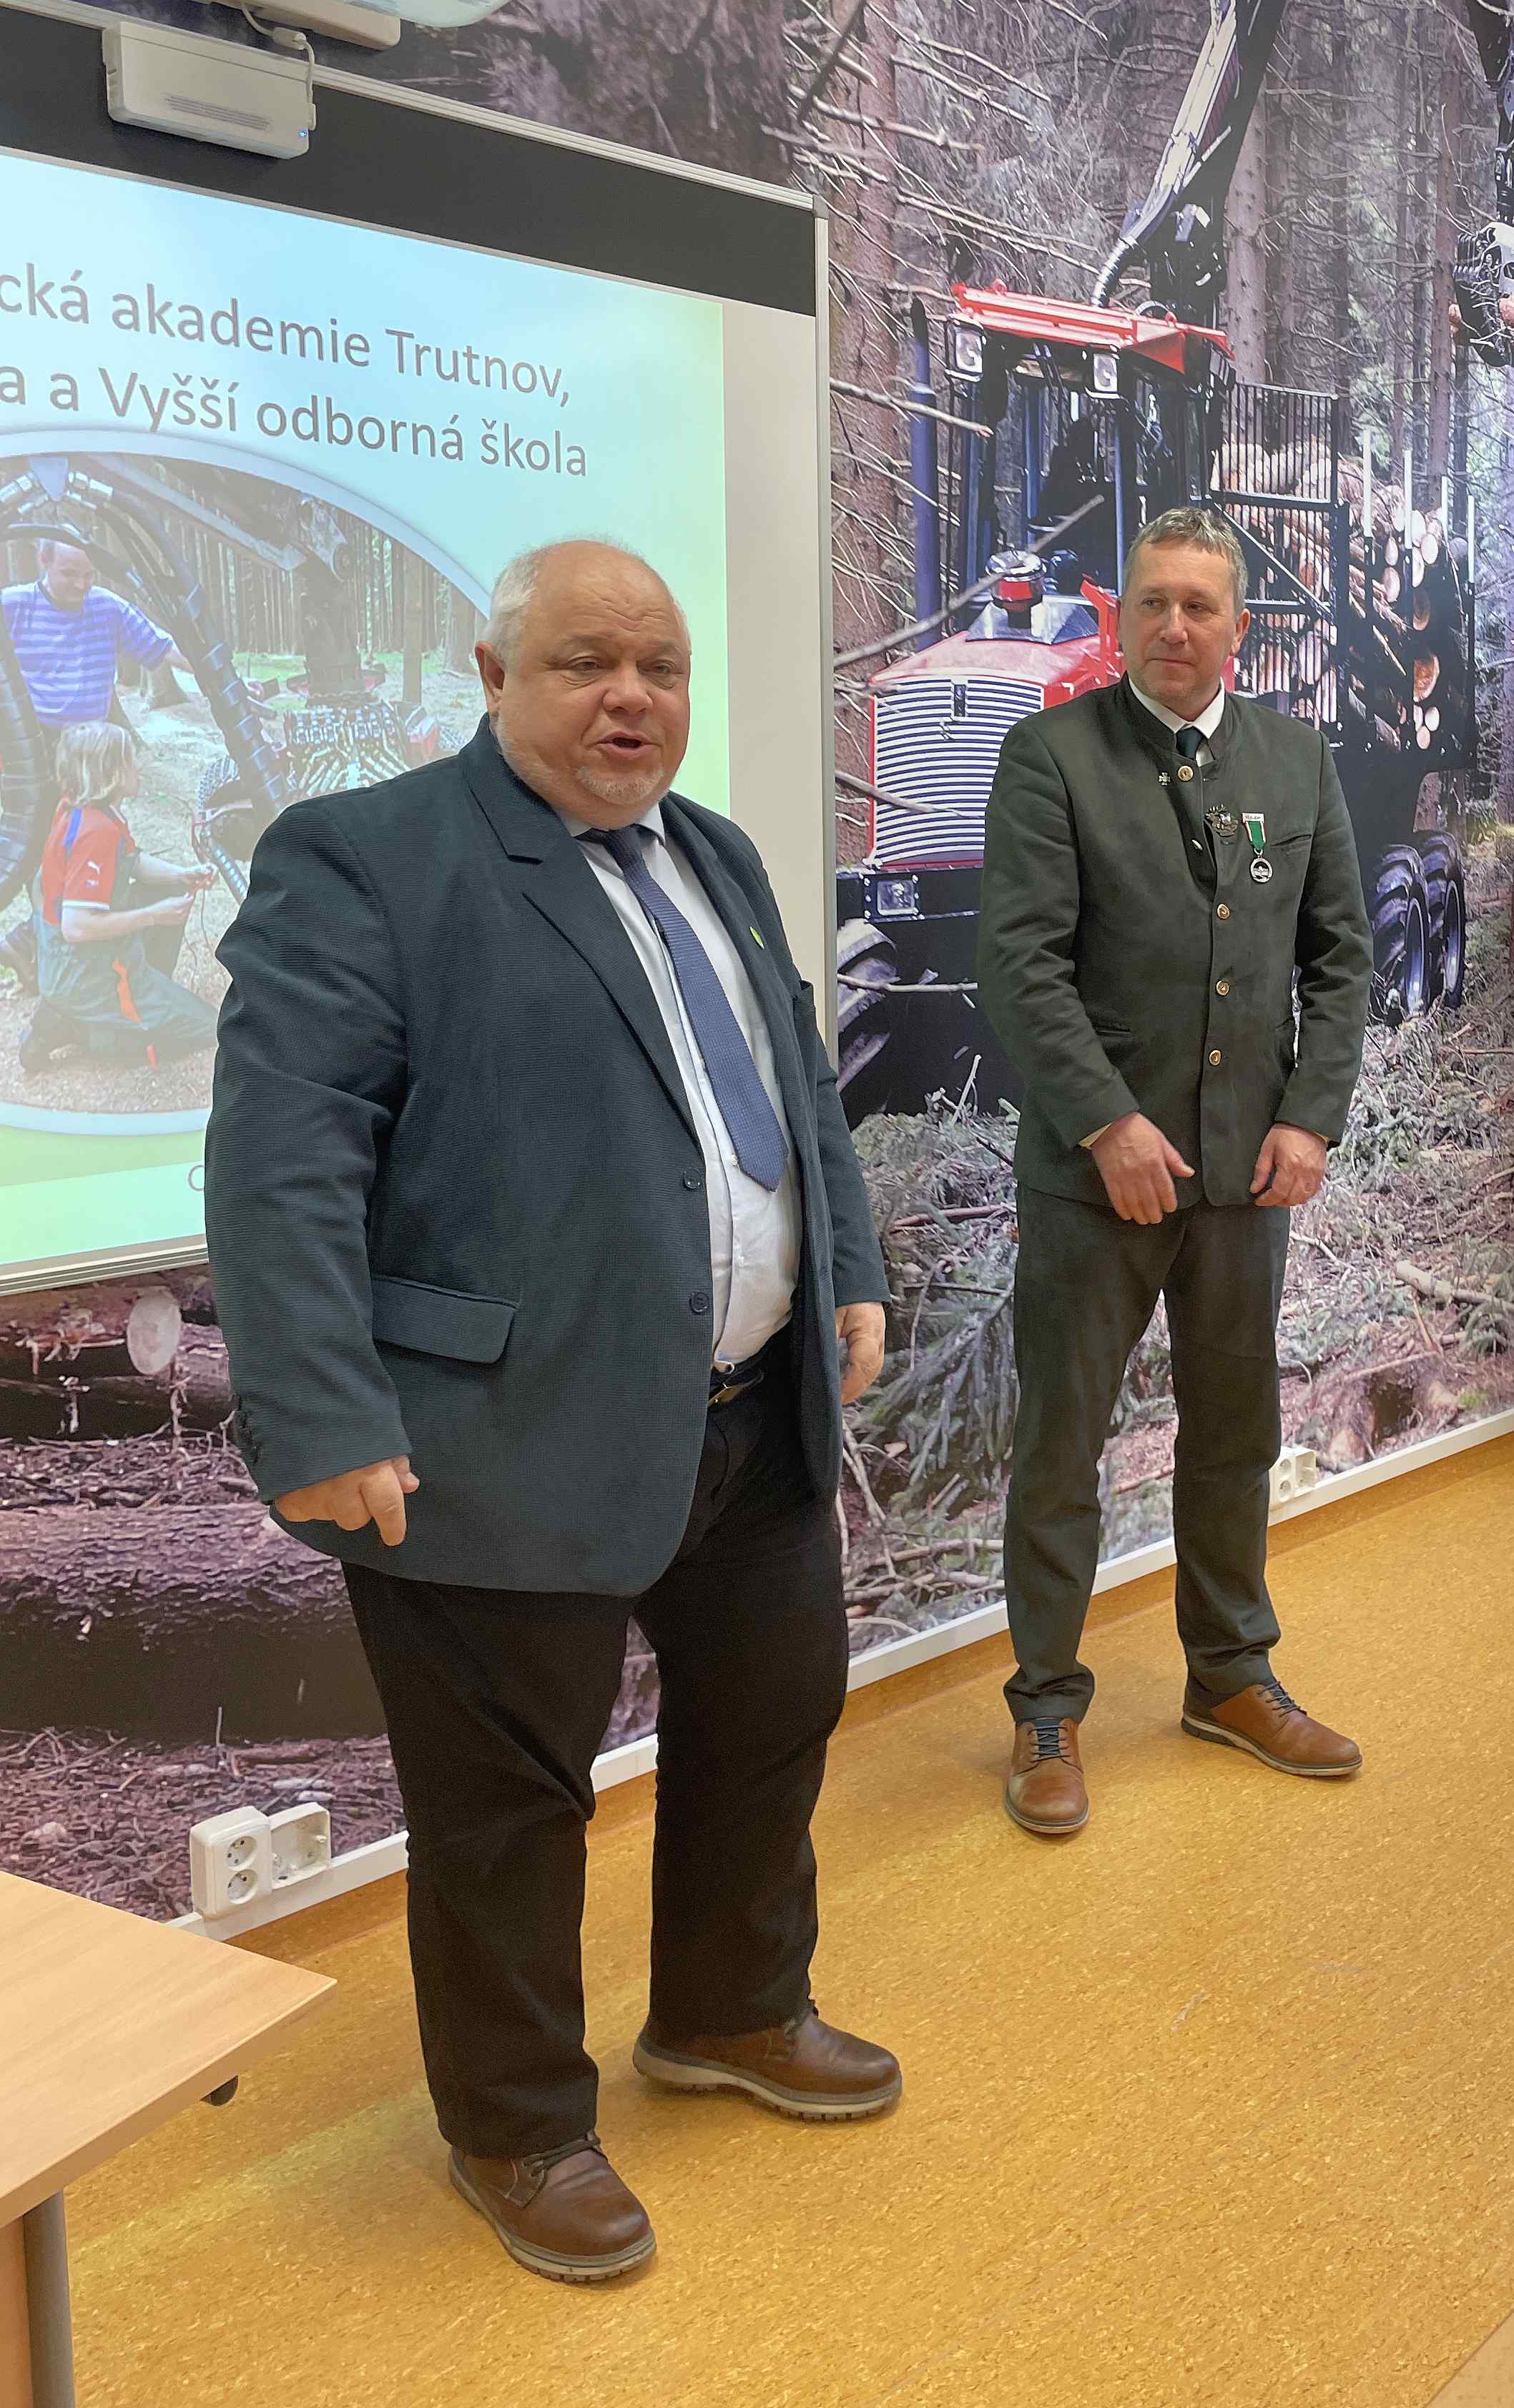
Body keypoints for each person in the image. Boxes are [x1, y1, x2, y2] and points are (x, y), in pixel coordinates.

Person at [205, 538, 898, 2287]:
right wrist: (322, 1411)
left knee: (770, 1724)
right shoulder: (367, 859)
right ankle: (516, 2126)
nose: (632, 698)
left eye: (661, 667)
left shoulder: (718, 853)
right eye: (588, 663)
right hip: (492, 1435)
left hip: (749, 1415)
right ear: (493, 673)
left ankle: (729, 2010)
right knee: (508, 1806)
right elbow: (285, 1158)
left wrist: (851, 1273)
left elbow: (797, 1095)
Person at [978, 504, 1373, 1837]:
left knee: (1233, 1433)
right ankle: (1045, 1706)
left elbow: (1338, 958)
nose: (1172, 626)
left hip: (1242, 1180)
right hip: (1095, 1182)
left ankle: (1229, 1674)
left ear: (1237, 627)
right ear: (1121, 616)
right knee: (1061, 1447)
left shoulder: (1292, 758)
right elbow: (1020, 966)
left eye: (1199, 605)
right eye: (1150, 601)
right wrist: (1105, 1123)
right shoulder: (1051, 757)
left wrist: (1308, 1118)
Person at [4, 535, 190, 995]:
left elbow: (161, 646)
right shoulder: (14, 606)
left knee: (98, 842)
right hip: (35, 748)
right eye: (69, 573)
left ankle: (35, 946)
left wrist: (218, 674)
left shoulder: (106, 607)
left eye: (89, 575)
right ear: (42, 559)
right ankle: (45, 955)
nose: (81, 584)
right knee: (43, 850)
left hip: (95, 749)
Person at [24, 721, 217, 1073]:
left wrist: (182, 875)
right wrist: (155, 915)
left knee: (170, 888)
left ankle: (141, 995)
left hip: (69, 958)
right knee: (209, 1028)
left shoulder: (86, 809)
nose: (138, 767)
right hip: (81, 970)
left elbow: (132, 860)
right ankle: (80, 1025)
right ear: (109, 773)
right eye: (130, 761)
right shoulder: (95, 832)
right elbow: (77, 927)